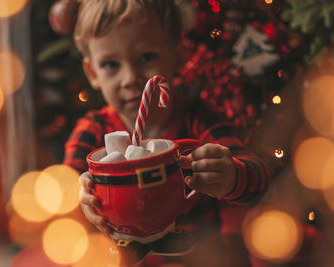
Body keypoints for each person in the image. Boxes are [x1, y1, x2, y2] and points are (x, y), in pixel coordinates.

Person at [64, 0, 270, 266]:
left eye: (147, 57)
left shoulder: (198, 120)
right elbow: (63, 202)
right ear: (92, 73)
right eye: (111, 65)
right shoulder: (91, 131)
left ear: (179, 56)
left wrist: (232, 176)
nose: (129, 78)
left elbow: (258, 178)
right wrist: (81, 201)